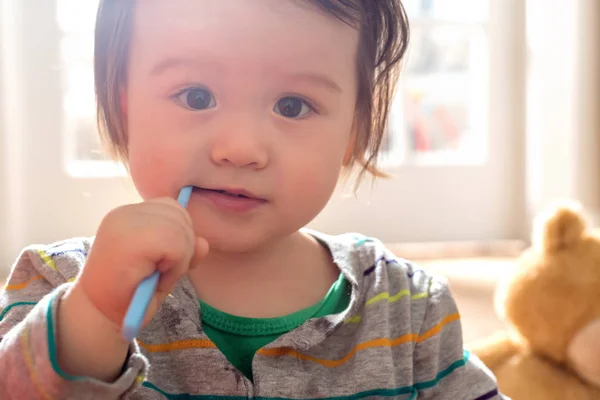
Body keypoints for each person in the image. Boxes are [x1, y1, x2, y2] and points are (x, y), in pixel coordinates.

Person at [0, 1, 507, 398]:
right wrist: (95, 315)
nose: (240, 149)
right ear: (123, 104)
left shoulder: (410, 307)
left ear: (353, 130)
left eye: (293, 106)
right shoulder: (60, 283)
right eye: (196, 96)